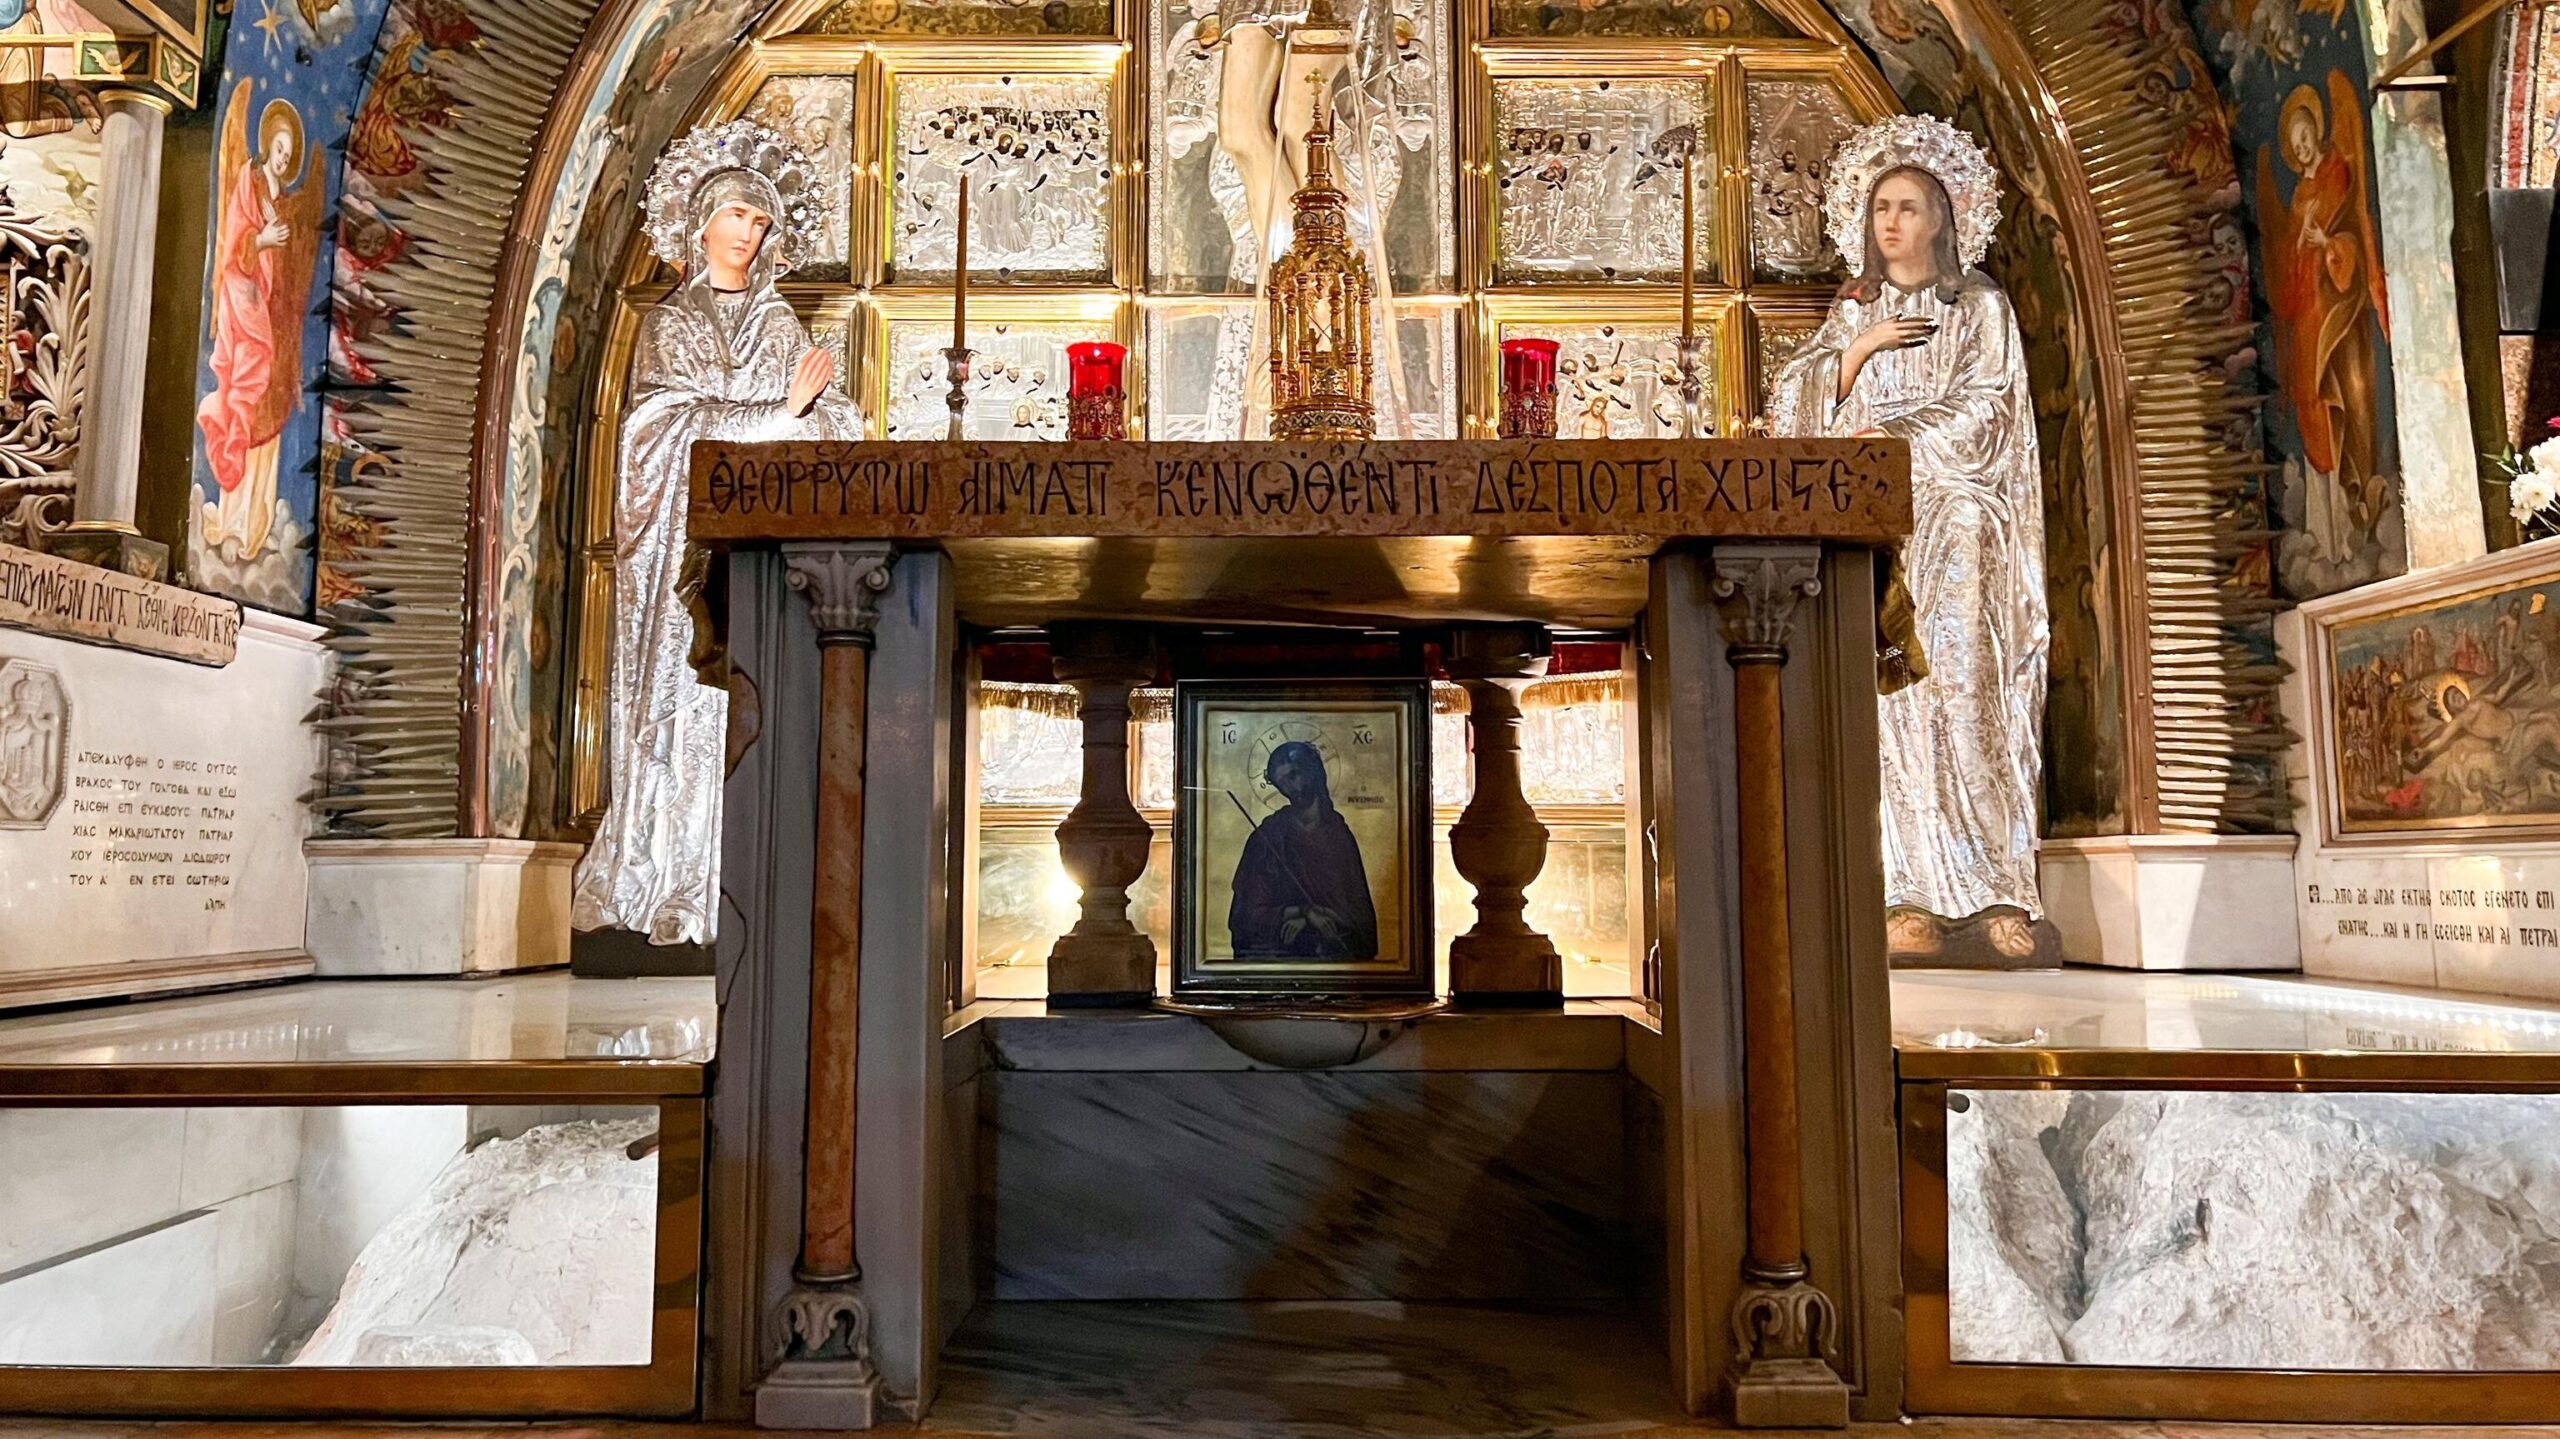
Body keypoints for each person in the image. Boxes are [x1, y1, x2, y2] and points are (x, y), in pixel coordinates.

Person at [572, 120, 860, 946]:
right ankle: (657, 876)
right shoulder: (671, 324)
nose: (750, 234)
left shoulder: (777, 328)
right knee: (678, 703)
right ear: (701, 223)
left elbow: (822, 424)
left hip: (757, 550)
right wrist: (780, 413)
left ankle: (725, 886)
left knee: (741, 710)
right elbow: (655, 431)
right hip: (678, 548)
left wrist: (823, 415)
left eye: (762, 223)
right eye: (738, 216)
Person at [1766, 115, 2048, 960]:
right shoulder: (1855, 311)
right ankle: (1907, 891)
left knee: (1962, 687)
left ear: (1943, 220)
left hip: (1957, 519)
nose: (1892, 221)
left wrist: (1883, 436)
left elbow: (1987, 413)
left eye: (1910, 207)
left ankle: (1998, 887)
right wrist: (1857, 354)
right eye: (1882, 206)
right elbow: (1792, 411)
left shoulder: (1980, 308)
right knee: (1893, 702)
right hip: (1875, 529)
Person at [1229, 741, 1380, 960]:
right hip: (1282, 958)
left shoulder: (1340, 837)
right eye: (1281, 783)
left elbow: (1360, 919)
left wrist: (1322, 917)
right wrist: (1304, 912)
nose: (1289, 788)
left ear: (1314, 771)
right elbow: (1245, 917)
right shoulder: (1267, 838)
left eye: (1293, 775)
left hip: (1335, 964)